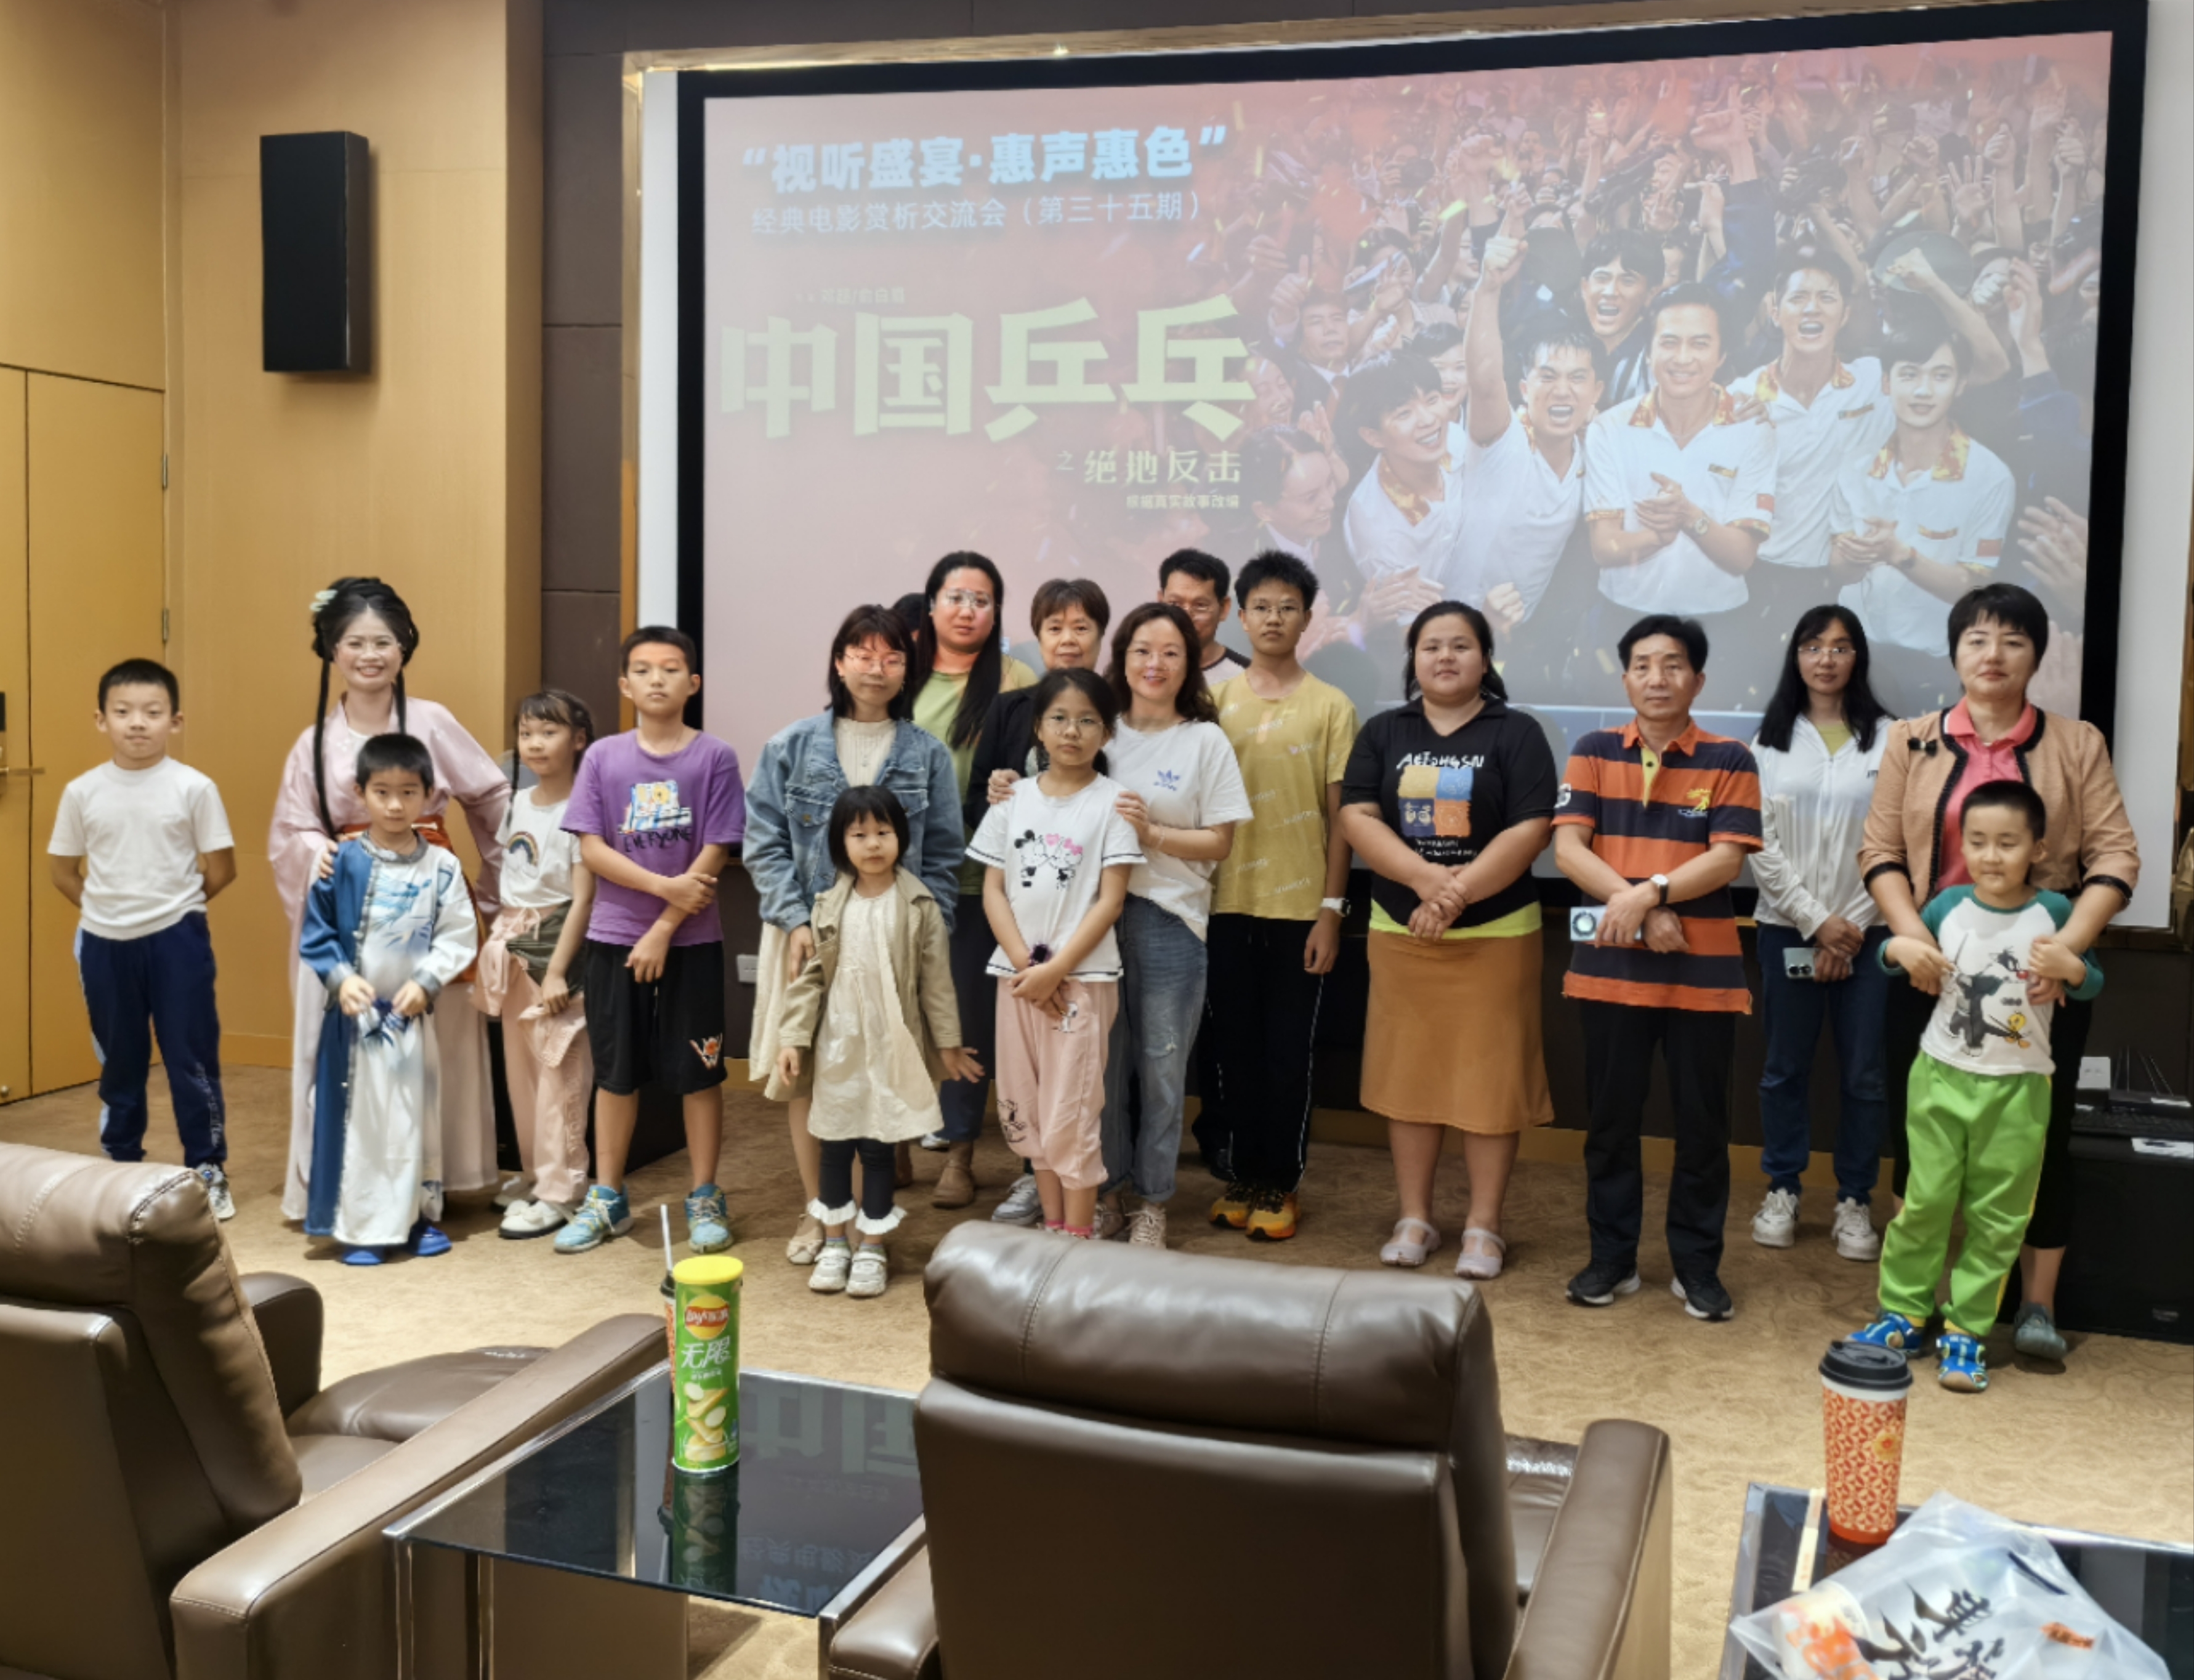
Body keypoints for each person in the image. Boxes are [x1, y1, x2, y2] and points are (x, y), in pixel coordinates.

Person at [1859, 583, 2139, 1362]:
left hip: (2037, 981)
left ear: (2035, 655)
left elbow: (2114, 854)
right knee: (1918, 1144)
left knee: (2039, 1143)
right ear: (1953, 651)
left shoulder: (2075, 742)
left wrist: (2066, 949)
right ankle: (1911, 1307)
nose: (1993, 655)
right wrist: (1911, 938)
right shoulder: (1910, 739)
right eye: (1976, 639)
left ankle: (2034, 1306)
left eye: (2012, 640)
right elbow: (1879, 850)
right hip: (1927, 973)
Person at [271, 578, 509, 1230]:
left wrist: (495, 892)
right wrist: (315, 849)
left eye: (383, 641)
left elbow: (490, 796)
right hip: (348, 899)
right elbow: (290, 829)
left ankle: (438, 1177)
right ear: (331, 649)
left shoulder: (432, 721)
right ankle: (346, 1185)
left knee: (432, 1035)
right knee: (350, 1036)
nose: (369, 655)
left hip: (426, 891)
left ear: (405, 646)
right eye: (355, 642)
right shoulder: (313, 740)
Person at [1852, 780, 2103, 1392]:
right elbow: (1897, 954)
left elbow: (2089, 981)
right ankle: (1903, 1314)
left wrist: (2072, 968)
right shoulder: (1946, 905)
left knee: (1998, 1217)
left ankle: (1965, 1330)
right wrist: (1897, 950)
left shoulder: (2055, 912)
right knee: (1924, 1203)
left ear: (2036, 849)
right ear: (1961, 845)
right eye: (1977, 841)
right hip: (1939, 1078)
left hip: (2018, 1090)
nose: (1991, 856)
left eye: (2007, 843)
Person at [1552, 614, 1762, 1322]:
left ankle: (1696, 1266)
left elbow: (1725, 859)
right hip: (1609, 970)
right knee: (1609, 1124)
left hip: (1702, 976)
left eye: (1672, 665)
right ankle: (1610, 1258)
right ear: (1624, 679)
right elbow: (1568, 850)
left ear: (1697, 680)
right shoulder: (1591, 749)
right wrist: (1642, 910)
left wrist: (1651, 894)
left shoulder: (1730, 758)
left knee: (1702, 1128)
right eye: (1642, 665)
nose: (1656, 678)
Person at [1339, 604, 1558, 1280]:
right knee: (1410, 1077)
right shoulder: (1383, 730)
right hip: (1402, 930)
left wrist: (1453, 896)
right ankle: (1414, 1217)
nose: (1444, 657)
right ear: (1412, 659)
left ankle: (1483, 1226)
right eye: (1430, 646)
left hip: (1495, 935)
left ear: (1485, 659)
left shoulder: (1516, 732)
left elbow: (1530, 829)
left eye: (1460, 645)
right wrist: (1425, 881)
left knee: (1489, 1084)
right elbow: (1357, 816)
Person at [746, 605, 961, 1259]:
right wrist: (794, 919)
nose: (876, 668)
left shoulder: (927, 754)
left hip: (892, 943)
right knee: (811, 1075)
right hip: (807, 937)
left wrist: (925, 933)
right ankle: (820, 1213)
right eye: (862, 654)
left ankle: (871, 1223)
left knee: (878, 1075)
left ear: (907, 670)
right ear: (839, 663)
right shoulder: (789, 746)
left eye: (891, 657)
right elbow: (763, 843)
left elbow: (943, 856)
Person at [555, 626, 746, 1257]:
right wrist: (664, 888)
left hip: (690, 943)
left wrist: (664, 926)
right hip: (614, 938)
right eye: (643, 669)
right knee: (615, 1074)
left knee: (699, 1074)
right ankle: (607, 1195)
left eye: (670, 668)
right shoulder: (603, 757)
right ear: (624, 684)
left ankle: (704, 1195)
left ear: (693, 683)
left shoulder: (714, 756)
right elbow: (592, 848)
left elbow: (716, 847)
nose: (657, 679)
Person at [1200, 551, 1358, 1243]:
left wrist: (1331, 911)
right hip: (1221, 905)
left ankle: (1280, 1182)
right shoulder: (1212, 703)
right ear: (1240, 615)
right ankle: (1243, 1175)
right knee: (1231, 1051)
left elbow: (1342, 820)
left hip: (1299, 910)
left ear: (1306, 618)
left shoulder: (1331, 706)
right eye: (1260, 607)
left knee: (1287, 1055)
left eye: (1286, 607)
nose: (1273, 618)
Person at [775, 787, 983, 1299]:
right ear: (840, 844)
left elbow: (936, 983)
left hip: (890, 1045)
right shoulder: (828, 903)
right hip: (840, 1045)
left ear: (901, 838)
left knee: (878, 1146)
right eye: (859, 834)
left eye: (883, 832)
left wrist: (948, 1044)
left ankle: (871, 1244)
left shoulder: (919, 904)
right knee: (833, 1144)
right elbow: (811, 981)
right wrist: (793, 1038)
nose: (872, 844)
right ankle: (835, 1242)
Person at [47, 658, 237, 1218]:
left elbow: (222, 868)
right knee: (121, 1060)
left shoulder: (194, 787)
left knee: (190, 1057)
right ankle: (120, 1166)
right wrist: (106, 910)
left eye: (152, 712)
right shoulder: (82, 792)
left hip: (178, 939)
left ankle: (208, 1168)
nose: (137, 723)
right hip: (104, 944)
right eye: (123, 711)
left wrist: (175, 908)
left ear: (174, 721)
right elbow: (62, 871)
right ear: (101, 719)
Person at [1094, 604, 1252, 1247]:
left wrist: (1151, 833)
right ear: (1121, 657)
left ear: (1189, 665)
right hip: (1093, 923)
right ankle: (1105, 1193)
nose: (1153, 664)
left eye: (1169, 653)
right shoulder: (1095, 729)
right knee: (1101, 1069)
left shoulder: (1204, 740)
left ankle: (1152, 1202)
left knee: (1161, 1072)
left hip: (1169, 919)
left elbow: (1220, 842)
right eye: (1141, 650)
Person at [967, 668, 1143, 1238]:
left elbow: (1110, 900)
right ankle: (1052, 1228)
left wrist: (1056, 971)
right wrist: (1030, 968)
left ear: (1107, 732)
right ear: (1038, 729)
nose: (1072, 731)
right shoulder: (1011, 800)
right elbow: (993, 891)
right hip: (1017, 979)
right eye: (1059, 718)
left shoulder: (1115, 804)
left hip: (1081, 982)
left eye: (1088, 720)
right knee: (1027, 1108)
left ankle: (1078, 1241)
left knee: (1072, 1111)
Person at [299, 733, 482, 1265]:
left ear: (428, 794)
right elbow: (317, 932)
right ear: (360, 793)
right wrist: (341, 979)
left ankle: (415, 1218)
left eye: (408, 792)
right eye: (382, 792)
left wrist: (427, 981)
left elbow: (458, 932)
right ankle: (363, 1227)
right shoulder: (341, 862)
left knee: (414, 1120)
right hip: (355, 1024)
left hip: (411, 1020)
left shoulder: (441, 866)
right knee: (364, 1125)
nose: (396, 805)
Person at [1749, 610, 1893, 1259]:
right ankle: (1782, 1187)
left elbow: (1897, 837)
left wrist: (1850, 927)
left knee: (1864, 1075)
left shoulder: (1890, 739)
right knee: (1785, 1068)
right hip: (1787, 929)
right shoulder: (1769, 741)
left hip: (1871, 934)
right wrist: (1815, 922)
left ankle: (1854, 1199)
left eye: (1839, 647)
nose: (1825, 659)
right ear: (1796, 657)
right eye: (1812, 646)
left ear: (1857, 657)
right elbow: (1758, 842)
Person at [911, 552, 1038, 1208]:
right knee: (897, 1016)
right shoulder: (900, 673)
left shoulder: (1017, 681)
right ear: (931, 604)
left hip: (979, 880)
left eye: (982, 600)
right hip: (899, 877)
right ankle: (889, 1147)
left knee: (966, 1023)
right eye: (956, 597)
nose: (967, 611)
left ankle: (959, 1154)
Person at [1830, 320, 2017, 717]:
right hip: (1855, 655)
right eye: (1909, 374)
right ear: (1887, 383)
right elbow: (1838, 571)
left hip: (1937, 668)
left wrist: (1900, 555)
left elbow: (1973, 588)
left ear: (1961, 385)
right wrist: (1857, 555)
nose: (1923, 391)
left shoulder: (1989, 476)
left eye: (1941, 376)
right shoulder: (1855, 463)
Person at [1583, 286, 1775, 660]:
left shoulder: (1753, 430)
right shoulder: (1610, 428)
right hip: (1625, 616)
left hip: (1719, 623)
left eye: (1700, 344)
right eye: (1669, 342)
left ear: (1721, 355)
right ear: (1649, 351)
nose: (1683, 358)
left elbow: (1741, 557)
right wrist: (1657, 537)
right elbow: (1604, 548)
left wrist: (1689, 516)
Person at [474, 690, 596, 1240]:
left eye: (549, 732)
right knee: (520, 1072)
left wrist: (559, 970)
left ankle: (562, 1189)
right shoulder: (518, 802)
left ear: (579, 740)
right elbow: (508, 877)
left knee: (558, 1071)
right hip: (513, 942)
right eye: (526, 734)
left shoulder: (583, 810)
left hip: (556, 946)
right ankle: (534, 1174)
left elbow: (584, 898)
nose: (535, 744)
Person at [1735, 254, 1897, 636]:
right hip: (1757, 578)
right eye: (1799, 297)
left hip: (1842, 578)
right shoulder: (1741, 397)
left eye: (1827, 298)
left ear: (1845, 314)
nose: (1813, 309)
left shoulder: (1876, 383)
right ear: (1775, 312)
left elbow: (1989, 367)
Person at [1453, 228, 1605, 637]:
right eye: (1548, 377)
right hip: (1455, 624)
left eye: (1577, 378)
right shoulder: (1503, 442)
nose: (1562, 390)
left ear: (1595, 393)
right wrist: (1488, 290)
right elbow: (1485, 381)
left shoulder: (1594, 451)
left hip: (1524, 630)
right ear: (1524, 388)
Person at [1158, 549, 1249, 680]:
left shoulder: (1249, 679)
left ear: (1224, 608)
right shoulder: (1137, 673)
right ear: (1160, 602)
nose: (1186, 617)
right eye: (1175, 604)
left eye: (1200, 605)